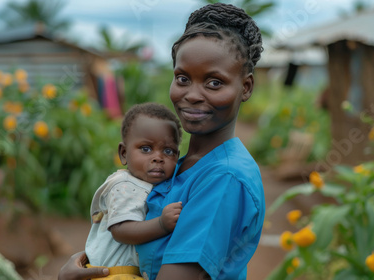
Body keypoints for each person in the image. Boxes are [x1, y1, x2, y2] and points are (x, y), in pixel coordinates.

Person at [59, 3, 265, 279]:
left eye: (214, 82)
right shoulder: (178, 165)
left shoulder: (224, 178)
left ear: (246, 87)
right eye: (182, 78)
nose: (192, 94)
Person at [84, 103, 183, 279]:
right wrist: (161, 224)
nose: (158, 158)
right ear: (123, 153)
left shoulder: (153, 184)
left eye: (168, 151)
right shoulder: (125, 185)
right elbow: (121, 230)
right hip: (114, 274)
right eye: (146, 149)